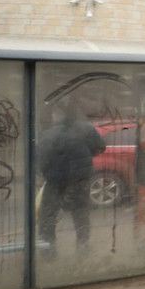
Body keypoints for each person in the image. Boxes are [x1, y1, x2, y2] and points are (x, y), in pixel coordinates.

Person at [38, 104, 105, 249]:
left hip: (55, 180)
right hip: (79, 179)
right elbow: (100, 147)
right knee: (80, 214)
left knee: (48, 215)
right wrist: (85, 156)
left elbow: (41, 155)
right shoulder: (85, 128)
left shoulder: (49, 132)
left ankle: (48, 249)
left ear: (57, 114)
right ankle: (83, 247)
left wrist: (43, 172)